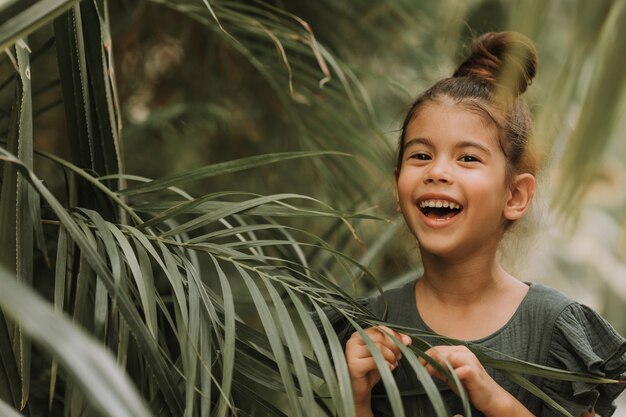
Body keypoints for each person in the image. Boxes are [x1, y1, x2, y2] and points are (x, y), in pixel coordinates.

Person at [342, 32, 626, 416]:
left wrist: (496, 402)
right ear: (397, 187)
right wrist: (356, 399)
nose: (438, 171)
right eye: (421, 155)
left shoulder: (554, 330)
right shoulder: (371, 326)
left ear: (515, 196)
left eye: (468, 158)